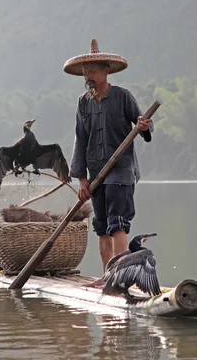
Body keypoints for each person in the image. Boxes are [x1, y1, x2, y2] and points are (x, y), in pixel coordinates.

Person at [63, 38, 154, 279]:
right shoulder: (84, 103)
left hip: (121, 171)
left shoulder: (123, 97)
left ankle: (121, 278)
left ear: (106, 71)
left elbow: (142, 126)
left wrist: (143, 125)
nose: (88, 77)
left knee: (118, 223)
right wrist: (82, 180)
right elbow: (80, 140)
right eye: (85, 72)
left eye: (92, 71)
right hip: (96, 173)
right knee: (101, 226)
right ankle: (107, 278)